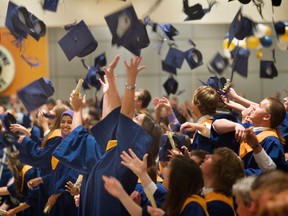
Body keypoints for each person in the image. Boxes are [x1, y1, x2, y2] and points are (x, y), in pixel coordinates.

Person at [53, 55, 162, 215]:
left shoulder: (130, 153)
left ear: (141, 136)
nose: (133, 117)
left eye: (137, 118)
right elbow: (83, 134)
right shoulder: (110, 154)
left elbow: (124, 114)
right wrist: (109, 85)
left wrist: (130, 81)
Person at [103, 150, 208, 216]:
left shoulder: (193, 206)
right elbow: (142, 211)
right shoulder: (171, 198)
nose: (162, 170)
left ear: (177, 177)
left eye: (167, 167)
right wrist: (141, 173)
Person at [213, 97, 288, 175]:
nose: (254, 106)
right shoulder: (248, 129)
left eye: (259, 106)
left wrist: (238, 171)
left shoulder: (271, 141)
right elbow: (216, 125)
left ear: (266, 117)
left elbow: (269, 174)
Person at [27, 110, 78, 216]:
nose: (65, 125)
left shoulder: (76, 145)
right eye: (63, 121)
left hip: (67, 198)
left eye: (69, 122)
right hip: (57, 197)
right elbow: (58, 173)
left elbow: (70, 175)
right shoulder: (64, 143)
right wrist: (41, 179)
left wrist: (55, 195)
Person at [201, 147, 245, 216]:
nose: (206, 156)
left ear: (219, 172)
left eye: (213, 158)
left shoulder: (220, 209)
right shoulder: (204, 195)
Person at [0, 150, 38, 216]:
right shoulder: (23, 174)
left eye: (9, 164)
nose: (8, 167)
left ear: (15, 165)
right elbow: (8, 190)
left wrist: (14, 211)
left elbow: (30, 201)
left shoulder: (30, 174)